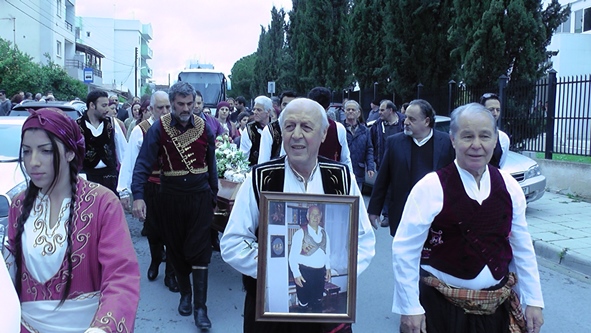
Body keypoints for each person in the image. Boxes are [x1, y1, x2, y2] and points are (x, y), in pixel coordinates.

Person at [220, 98, 375, 333]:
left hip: (324, 308)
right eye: (290, 127)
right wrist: (271, 267)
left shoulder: (342, 179)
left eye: (306, 127)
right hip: (269, 308)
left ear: (323, 134)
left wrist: (342, 271)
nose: (297, 135)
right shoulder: (260, 179)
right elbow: (232, 243)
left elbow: (363, 240)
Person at [392, 103, 544, 333]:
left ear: (495, 140)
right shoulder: (430, 187)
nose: (476, 145)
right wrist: (410, 307)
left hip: (496, 311)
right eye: (467, 136)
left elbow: (521, 246)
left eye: (484, 136)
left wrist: (533, 300)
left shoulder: (509, 187)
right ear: (453, 140)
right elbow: (405, 250)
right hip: (440, 310)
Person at [4, 108, 140, 332]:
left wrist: (101, 329)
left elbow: (121, 277)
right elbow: (10, 274)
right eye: (27, 152)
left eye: (45, 151)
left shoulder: (102, 203)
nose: (33, 162)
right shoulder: (19, 204)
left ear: (69, 153)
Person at [131, 81, 218, 330]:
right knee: (177, 248)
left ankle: (201, 308)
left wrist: (213, 193)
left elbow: (211, 163)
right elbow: (143, 163)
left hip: (199, 197)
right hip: (169, 196)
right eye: (180, 104)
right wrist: (138, 195)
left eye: (190, 104)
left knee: (200, 249)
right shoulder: (159, 128)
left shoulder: (204, 127)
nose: (186, 108)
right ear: (172, 104)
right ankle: (185, 295)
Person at [117, 91, 178, 292]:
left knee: (173, 230)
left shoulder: (177, 128)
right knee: (153, 229)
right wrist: (125, 191)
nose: (165, 111)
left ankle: (171, 272)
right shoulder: (140, 130)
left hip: (172, 186)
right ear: (150, 109)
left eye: (168, 107)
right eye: (160, 107)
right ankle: (155, 260)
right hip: (151, 186)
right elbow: (130, 162)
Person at [368, 99, 455, 233]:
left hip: (436, 214)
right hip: (403, 213)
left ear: (426, 121)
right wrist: (374, 210)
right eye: (406, 117)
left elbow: (454, 179)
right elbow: (383, 179)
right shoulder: (394, 143)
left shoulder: (446, 143)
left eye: (412, 119)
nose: (405, 122)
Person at [77, 90, 126, 196]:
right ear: (92, 105)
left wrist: (123, 188)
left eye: (107, 105)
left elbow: (123, 153)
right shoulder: (77, 126)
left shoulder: (112, 123)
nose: (107, 109)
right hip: (87, 178)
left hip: (110, 178)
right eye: (104, 106)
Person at [288, 205, 331, 313]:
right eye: (313, 214)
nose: (315, 217)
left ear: (321, 216)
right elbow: (292, 257)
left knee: (317, 301)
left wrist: (328, 268)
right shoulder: (300, 233)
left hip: (320, 273)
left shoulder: (325, 233)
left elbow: (327, 253)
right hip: (304, 273)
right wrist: (296, 274)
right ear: (308, 216)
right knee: (303, 303)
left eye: (318, 215)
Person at [369, 99, 405, 226]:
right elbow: (372, 142)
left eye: (382, 110)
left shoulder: (403, 122)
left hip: (402, 164)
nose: (379, 112)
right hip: (383, 163)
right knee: (385, 190)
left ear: (391, 110)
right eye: (379, 110)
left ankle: (402, 215)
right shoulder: (377, 125)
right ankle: (386, 215)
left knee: (401, 190)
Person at [307, 87, 353, 171]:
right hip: (331, 179)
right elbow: (346, 160)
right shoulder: (338, 128)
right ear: (328, 107)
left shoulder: (295, 127)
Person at [257, 90, 298, 163]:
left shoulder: (300, 130)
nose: (288, 108)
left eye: (292, 105)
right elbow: (263, 162)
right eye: (285, 104)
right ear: (280, 106)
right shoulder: (270, 130)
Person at [343, 100, 375, 190]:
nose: (350, 111)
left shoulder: (365, 130)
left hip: (358, 171)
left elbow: (369, 149)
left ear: (358, 113)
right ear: (344, 111)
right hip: (343, 170)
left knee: (356, 199)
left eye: (353, 109)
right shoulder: (340, 128)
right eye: (348, 109)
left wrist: (370, 167)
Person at [480, 93, 510, 169]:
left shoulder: (503, 138)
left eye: (498, 110)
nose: (495, 113)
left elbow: (501, 165)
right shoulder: (471, 134)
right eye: (491, 109)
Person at [240, 95, 272, 166]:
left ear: (268, 112)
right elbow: (243, 155)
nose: (255, 112)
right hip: (253, 170)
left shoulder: (276, 129)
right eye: (254, 109)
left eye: (259, 110)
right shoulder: (249, 129)